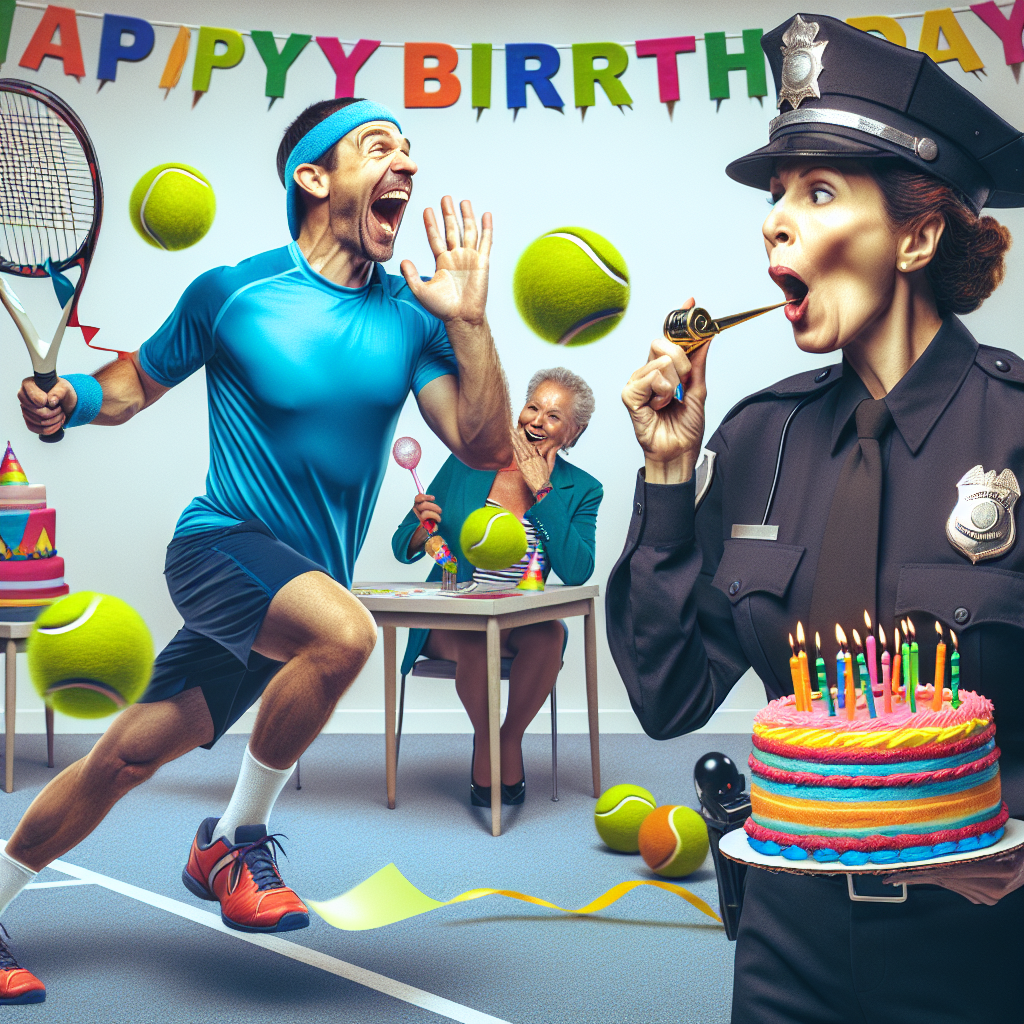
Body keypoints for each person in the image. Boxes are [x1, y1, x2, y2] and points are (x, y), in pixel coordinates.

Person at [0, 97, 512, 1004]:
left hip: (299, 590)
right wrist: (71, 398)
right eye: (379, 146)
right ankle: (239, 843)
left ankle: (67, 877)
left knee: (125, 758)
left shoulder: (414, 317)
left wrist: (470, 322)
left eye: (410, 150)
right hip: (221, 547)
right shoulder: (233, 292)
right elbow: (134, 382)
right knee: (347, 635)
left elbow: (484, 444)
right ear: (313, 177)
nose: (407, 164)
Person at [606, 15, 1022, 1024]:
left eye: (819, 191)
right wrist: (667, 474)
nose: (775, 222)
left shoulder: (1017, 430)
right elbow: (667, 695)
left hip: (981, 944)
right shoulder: (756, 439)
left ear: (916, 236)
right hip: (783, 943)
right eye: (775, 194)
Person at [392, 368, 602, 805]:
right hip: (454, 619)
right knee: (477, 640)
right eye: (533, 407)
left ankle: (507, 740)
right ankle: (488, 742)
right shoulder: (468, 463)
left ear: (574, 433)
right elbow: (402, 541)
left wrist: (543, 490)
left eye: (554, 416)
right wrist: (421, 532)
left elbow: (578, 570)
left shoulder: (582, 489)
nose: (537, 421)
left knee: (551, 634)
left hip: (518, 619)